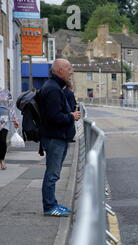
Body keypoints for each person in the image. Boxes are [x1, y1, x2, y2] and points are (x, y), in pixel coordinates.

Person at [39, 59, 81, 217]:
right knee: (52, 174)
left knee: (53, 174)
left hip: (57, 137)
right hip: (54, 137)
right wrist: (71, 115)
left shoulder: (54, 87)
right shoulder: (53, 90)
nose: (71, 72)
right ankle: (49, 206)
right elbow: (54, 117)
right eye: (69, 69)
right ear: (60, 70)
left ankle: (53, 203)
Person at [0, 89, 19, 170]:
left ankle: (2, 159)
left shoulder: (6, 92)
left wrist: (15, 119)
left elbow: (11, 106)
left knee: (2, 141)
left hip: (4, 120)